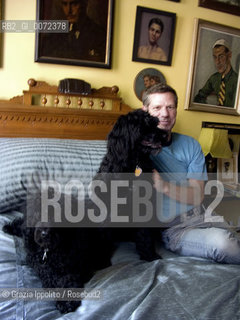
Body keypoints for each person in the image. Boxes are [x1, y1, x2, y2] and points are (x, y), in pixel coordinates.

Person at [142, 83, 240, 264]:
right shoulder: (136, 146)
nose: (164, 114)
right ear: (144, 110)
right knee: (225, 244)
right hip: (175, 228)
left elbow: (196, 196)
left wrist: (164, 186)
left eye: (170, 107)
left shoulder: (191, 145)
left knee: (234, 235)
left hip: (203, 216)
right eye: (157, 107)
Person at [41, 0, 106, 62]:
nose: (69, 10)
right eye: (65, 4)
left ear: (85, 4)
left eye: (74, 4)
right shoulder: (53, 36)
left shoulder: (99, 35)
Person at [194, 39, 238, 108]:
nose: (217, 62)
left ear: (229, 55)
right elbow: (199, 97)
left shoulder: (237, 80)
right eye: (215, 57)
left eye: (221, 56)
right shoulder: (214, 78)